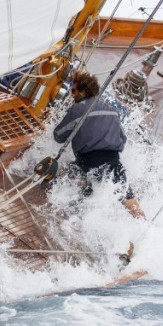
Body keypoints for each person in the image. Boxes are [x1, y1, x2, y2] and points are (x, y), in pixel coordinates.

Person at [53, 71, 146, 219]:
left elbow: (58, 136)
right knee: (128, 198)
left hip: (87, 163)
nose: (72, 94)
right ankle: (146, 229)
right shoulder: (113, 111)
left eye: (74, 90)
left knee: (60, 175)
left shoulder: (77, 109)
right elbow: (123, 139)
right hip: (113, 161)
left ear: (83, 91)